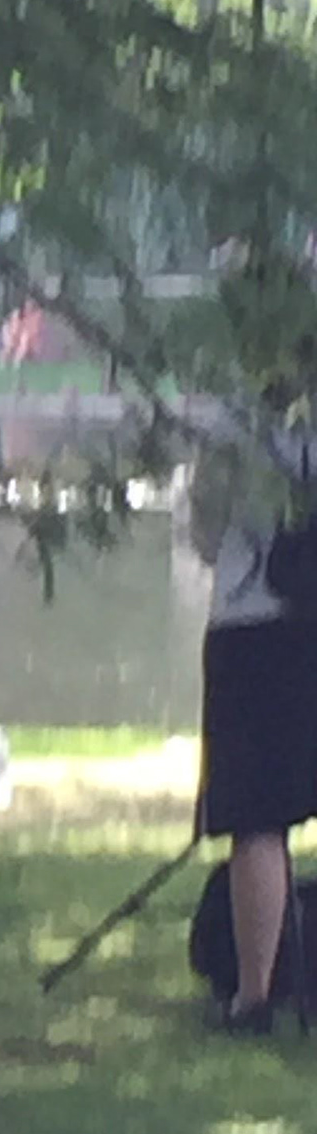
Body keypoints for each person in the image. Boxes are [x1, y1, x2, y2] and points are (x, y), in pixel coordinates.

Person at [188, 420, 317, 1035]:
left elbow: (208, 538)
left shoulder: (236, 419)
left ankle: (255, 998)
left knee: (258, 821)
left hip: (253, 627)